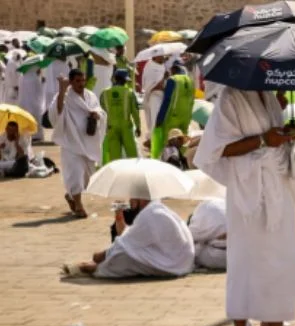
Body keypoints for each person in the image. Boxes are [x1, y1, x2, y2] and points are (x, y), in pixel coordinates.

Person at [194, 87, 295, 326]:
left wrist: (285, 130)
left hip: (278, 187)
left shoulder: (269, 96)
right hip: (247, 192)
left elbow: (274, 139)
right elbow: (215, 150)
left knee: (280, 260)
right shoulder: (230, 98)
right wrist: (262, 140)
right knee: (244, 260)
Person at [62, 198, 194, 279]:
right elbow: (129, 235)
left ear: (140, 199)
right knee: (114, 253)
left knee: (117, 257)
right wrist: (119, 216)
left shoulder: (151, 214)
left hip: (173, 264)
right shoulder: (157, 209)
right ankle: (93, 265)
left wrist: (102, 255)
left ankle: (88, 267)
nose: (130, 200)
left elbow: (126, 242)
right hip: (178, 260)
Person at [53, 69, 104, 219]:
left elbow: (100, 110)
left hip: (88, 143)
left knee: (88, 179)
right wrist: (62, 90)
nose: (81, 84)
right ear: (71, 81)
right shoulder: (65, 96)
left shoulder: (91, 95)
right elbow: (58, 112)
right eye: (77, 81)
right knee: (75, 174)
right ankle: (79, 205)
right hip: (71, 143)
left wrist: (96, 114)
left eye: (83, 81)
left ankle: (71, 196)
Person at [149, 65, 194, 160]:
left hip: (172, 117)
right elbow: (192, 100)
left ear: (173, 70)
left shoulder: (173, 80)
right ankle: (181, 164)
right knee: (181, 142)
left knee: (169, 142)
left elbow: (167, 100)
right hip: (186, 117)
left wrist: (159, 119)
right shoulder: (190, 81)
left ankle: (169, 164)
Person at [100, 68, 140, 162]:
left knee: (114, 158)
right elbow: (135, 111)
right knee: (132, 156)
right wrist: (138, 126)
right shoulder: (129, 92)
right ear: (125, 80)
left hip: (111, 127)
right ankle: (132, 175)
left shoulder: (104, 93)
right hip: (126, 127)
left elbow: (101, 111)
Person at [189, 198, 227, 271]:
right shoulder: (226, 204)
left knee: (196, 247)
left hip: (219, 257)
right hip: (239, 256)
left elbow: (190, 238)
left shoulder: (203, 209)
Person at [17, 63, 45, 144]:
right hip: (34, 104)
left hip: (23, 103)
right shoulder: (35, 78)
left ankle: (26, 136)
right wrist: (43, 83)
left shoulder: (22, 77)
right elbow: (39, 91)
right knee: (35, 119)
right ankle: (36, 136)